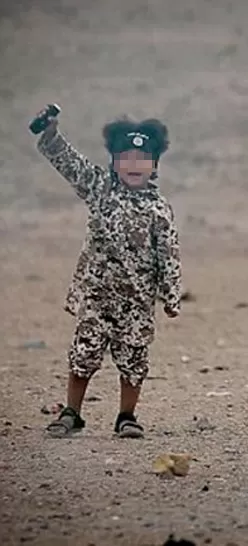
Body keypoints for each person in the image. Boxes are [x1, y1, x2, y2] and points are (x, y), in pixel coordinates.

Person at [32, 108, 183, 439]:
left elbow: (168, 253)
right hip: (97, 299)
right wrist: (51, 133)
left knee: (134, 362)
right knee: (82, 355)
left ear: (155, 165)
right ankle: (72, 412)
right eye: (125, 157)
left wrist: (172, 295)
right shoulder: (101, 189)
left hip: (137, 304)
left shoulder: (159, 209)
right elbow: (70, 164)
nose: (133, 164)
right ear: (114, 162)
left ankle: (126, 417)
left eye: (143, 158)